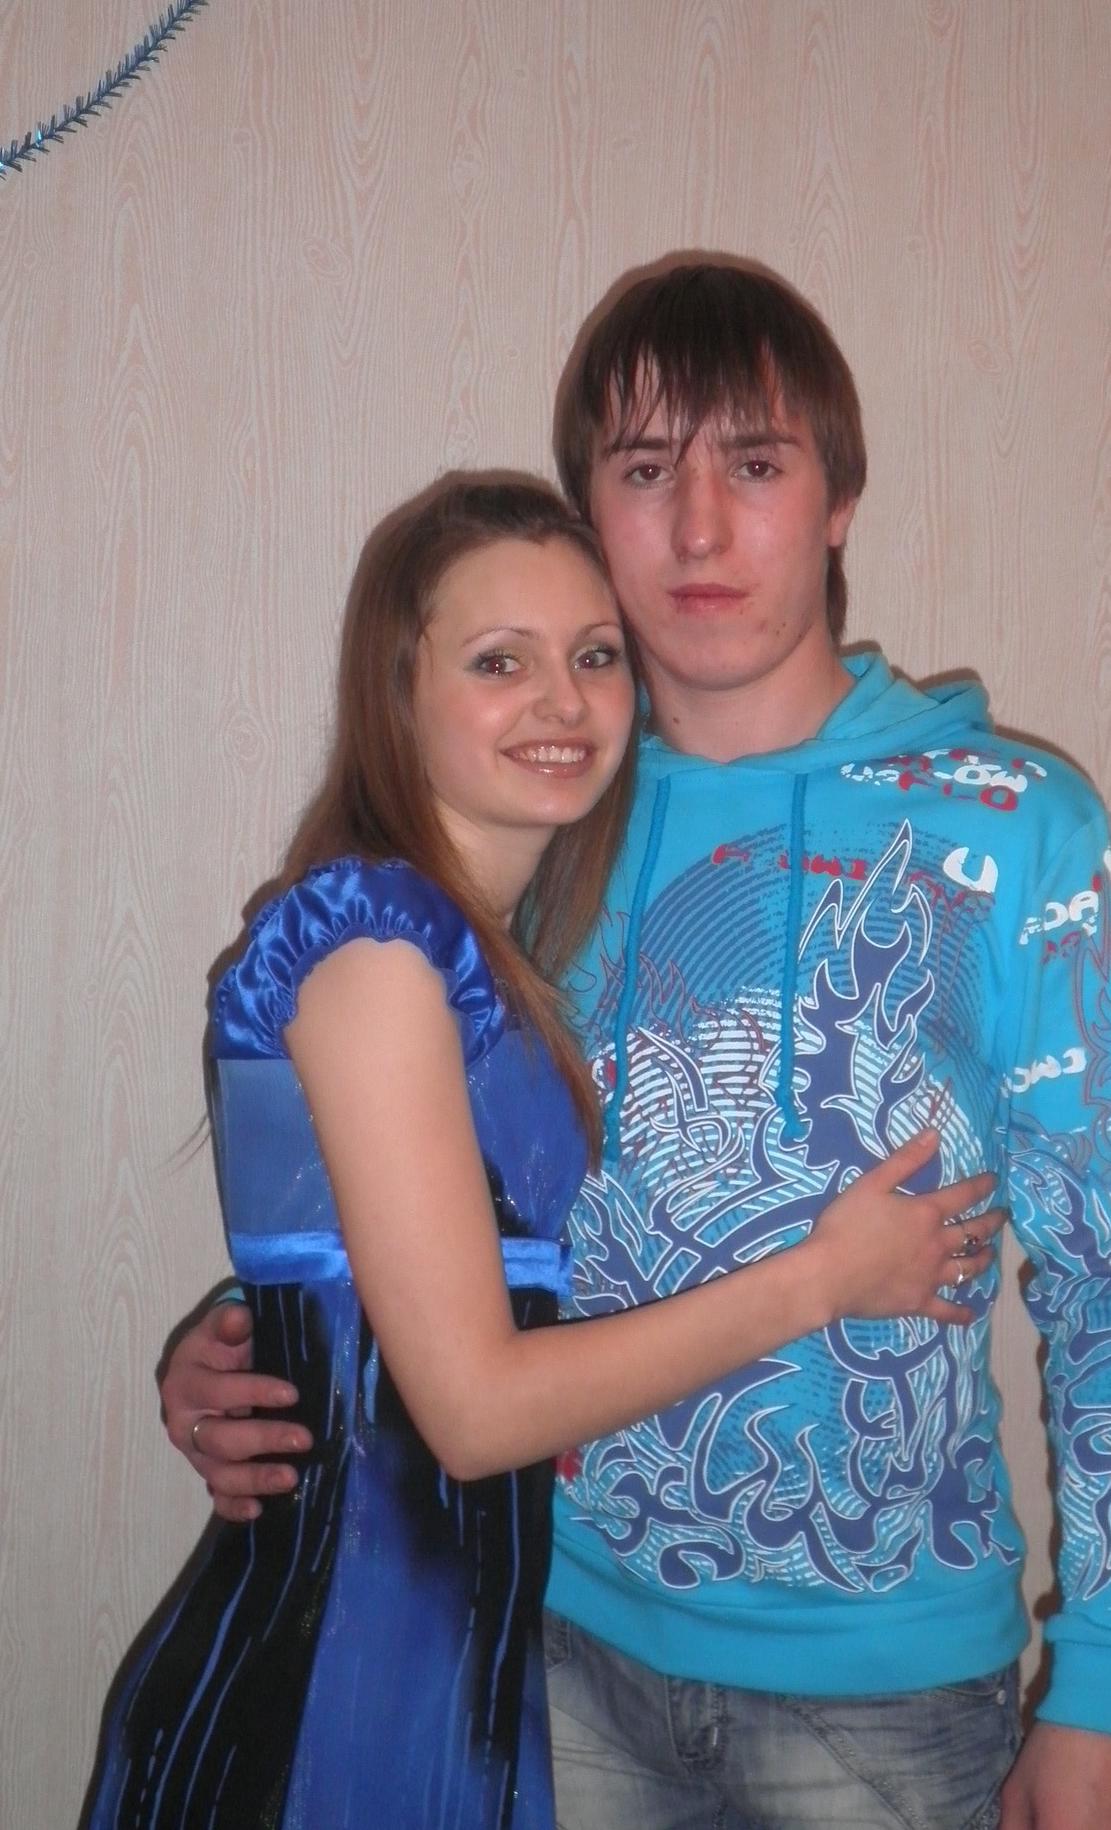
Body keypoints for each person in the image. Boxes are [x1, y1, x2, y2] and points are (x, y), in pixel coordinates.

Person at [161, 264, 1111, 1830]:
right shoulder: (550, 810)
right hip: (547, 1655)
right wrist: (268, 1338)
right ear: (592, 511)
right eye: (646, 472)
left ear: (839, 499)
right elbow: (455, 1189)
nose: (700, 529)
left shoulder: (1008, 827)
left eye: (756, 465)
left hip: (891, 1697)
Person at [82, 470, 1001, 1830]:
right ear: (400, 692)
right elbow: (471, 1412)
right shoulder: (380, 945)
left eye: (595, 657)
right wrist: (825, 1278)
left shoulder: (498, 952)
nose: (563, 703)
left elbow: (382, 1265)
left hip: (450, 1658)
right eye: (500, 662)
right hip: (343, 1683)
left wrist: (256, 1327)